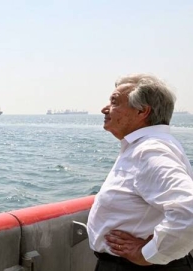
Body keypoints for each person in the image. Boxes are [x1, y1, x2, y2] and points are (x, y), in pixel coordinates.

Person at [87, 73, 193, 270]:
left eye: (114, 102)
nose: (105, 109)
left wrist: (147, 253)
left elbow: (189, 210)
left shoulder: (150, 151)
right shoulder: (146, 146)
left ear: (142, 111)